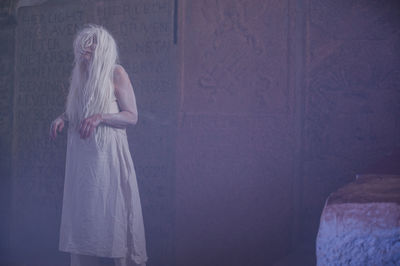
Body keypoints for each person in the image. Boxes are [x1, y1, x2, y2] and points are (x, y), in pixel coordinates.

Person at [49, 24, 148, 266]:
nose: (85, 53)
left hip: (107, 157)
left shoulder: (117, 73)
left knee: (113, 214)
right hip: (83, 159)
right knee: (84, 218)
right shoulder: (81, 77)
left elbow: (131, 116)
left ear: (102, 50)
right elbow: (80, 111)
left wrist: (100, 117)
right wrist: (63, 117)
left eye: (91, 48)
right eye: (83, 48)